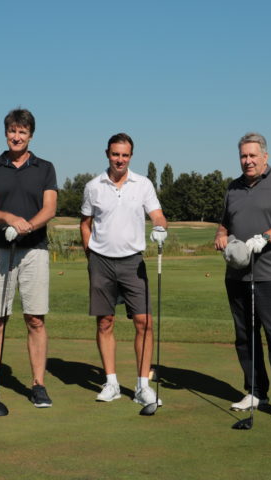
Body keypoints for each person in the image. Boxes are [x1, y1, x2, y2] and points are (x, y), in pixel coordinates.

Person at [214, 132, 271, 423]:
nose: (247, 161)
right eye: (243, 156)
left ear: (265, 156)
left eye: (253, 155)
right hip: (238, 275)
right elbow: (224, 224)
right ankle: (255, 391)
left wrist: (265, 237)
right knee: (245, 337)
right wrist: (221, 237)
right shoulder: (234, 188)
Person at [0, 108, 58, 409]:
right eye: (12, 131)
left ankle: (38, 385)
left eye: (22, 132)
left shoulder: (45, 167)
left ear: (30, 135)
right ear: (6, 133)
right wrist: (9, 217)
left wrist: (28, 225)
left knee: (35, 318)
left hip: (35, 249)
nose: (17, 136)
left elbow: (50, 208)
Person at [80, 133, 168, 407]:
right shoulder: (93, 186)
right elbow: (85, 223)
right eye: (116, 154)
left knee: (144, 322)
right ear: (107, 153)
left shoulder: (143, 184)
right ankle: (112, 383)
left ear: (131, 156)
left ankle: (142, 386)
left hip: (133, 262)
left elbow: (157, 214)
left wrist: (160, 227)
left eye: (125, 155)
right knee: (105, 322)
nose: (120, 159)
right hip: (101, 261)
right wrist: (90, 254)